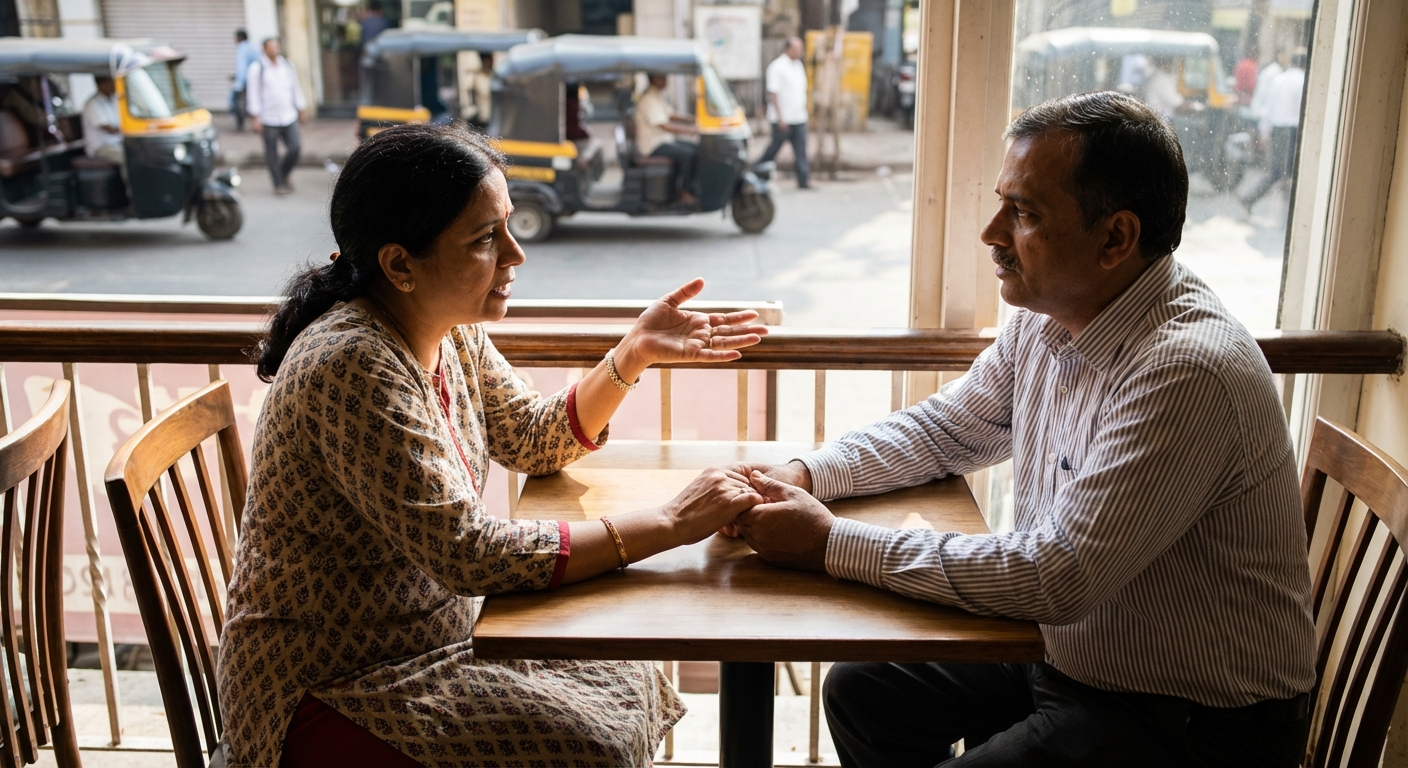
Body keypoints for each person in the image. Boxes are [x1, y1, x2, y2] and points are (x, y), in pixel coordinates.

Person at [727, 92, 1315, 766]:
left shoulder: (1186, 370)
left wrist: (828, 544)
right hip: (1069, 656)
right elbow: (947, 429)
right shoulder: (1049, 318)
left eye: (1025, 212)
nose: (991, 233)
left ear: (1116, 239)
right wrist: (805, 475)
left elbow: (1057, 576)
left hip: (1190, 718)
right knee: (865, 689)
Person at [219, 122, 770, 768]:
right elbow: (470, 554)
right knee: (593, 747)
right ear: (400, 264)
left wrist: (635, 350)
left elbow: (534, 438)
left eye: (508, 226)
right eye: (486, 238)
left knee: (626, 679)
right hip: (328, 688)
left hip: (430, 647)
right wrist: (672, 522)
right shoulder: (351, 365)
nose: (516, 254)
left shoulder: (447, 332)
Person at [1242, 49, 1306, 212]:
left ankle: (1250, 199)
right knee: (1294, 172)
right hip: (1295, 131)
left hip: (1278, 130)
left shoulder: (1279, 80)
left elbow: (1268, 110)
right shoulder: (1303, 81)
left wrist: (1264, 133)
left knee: (1277, 172)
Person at [245, 37, 307, 195]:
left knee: (295, 147)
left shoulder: (287, 65)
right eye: (270, 47)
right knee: (271, 154)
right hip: (268, 118)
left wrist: (301, 108)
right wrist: (255, 117)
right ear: (264, 49)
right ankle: (278, 184)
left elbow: (295, 88)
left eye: (276, 46)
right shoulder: (257, 68)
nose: (274, 49)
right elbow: (253, 94)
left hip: (288, 115)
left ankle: (284, 173)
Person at [755, 36, 811, 189]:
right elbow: (773, 94)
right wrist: (781, 118)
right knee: (774, 148)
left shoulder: (798, 65)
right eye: (796, 49)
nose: (799, 52)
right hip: (782, 118)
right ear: (788, 49)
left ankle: (803, 181)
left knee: (801, 151)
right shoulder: (777, 67)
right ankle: (756, 172)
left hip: (799, 117)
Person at [634, 73, 698, 201]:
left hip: (663, 141)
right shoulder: (648, 99)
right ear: (654, 79)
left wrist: (693, 119)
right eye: (662, 77)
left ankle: (690, 188)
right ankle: (685, 191)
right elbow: (663, 126)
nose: (666, 81)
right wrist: (690, 131)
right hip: (653, 146)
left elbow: (670, 115)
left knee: (697, 149)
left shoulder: (657, 95)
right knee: (689, 155)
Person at [81, 76, 124, 172]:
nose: (115, 85)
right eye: (111, 82)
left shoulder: (114, 100)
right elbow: (109, 129)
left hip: (117, 143)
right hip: (101, 147)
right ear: (102, 85)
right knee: (126, 157)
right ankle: (132, 186)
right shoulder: (92, 104)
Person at [230, 29, 258, 131]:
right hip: (251, 81)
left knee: (240, 105)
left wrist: (239, 83)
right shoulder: (252, 48)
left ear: (240, 38)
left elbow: (242, 68)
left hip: (244, 82)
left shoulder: (242, 49)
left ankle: (242, 125)